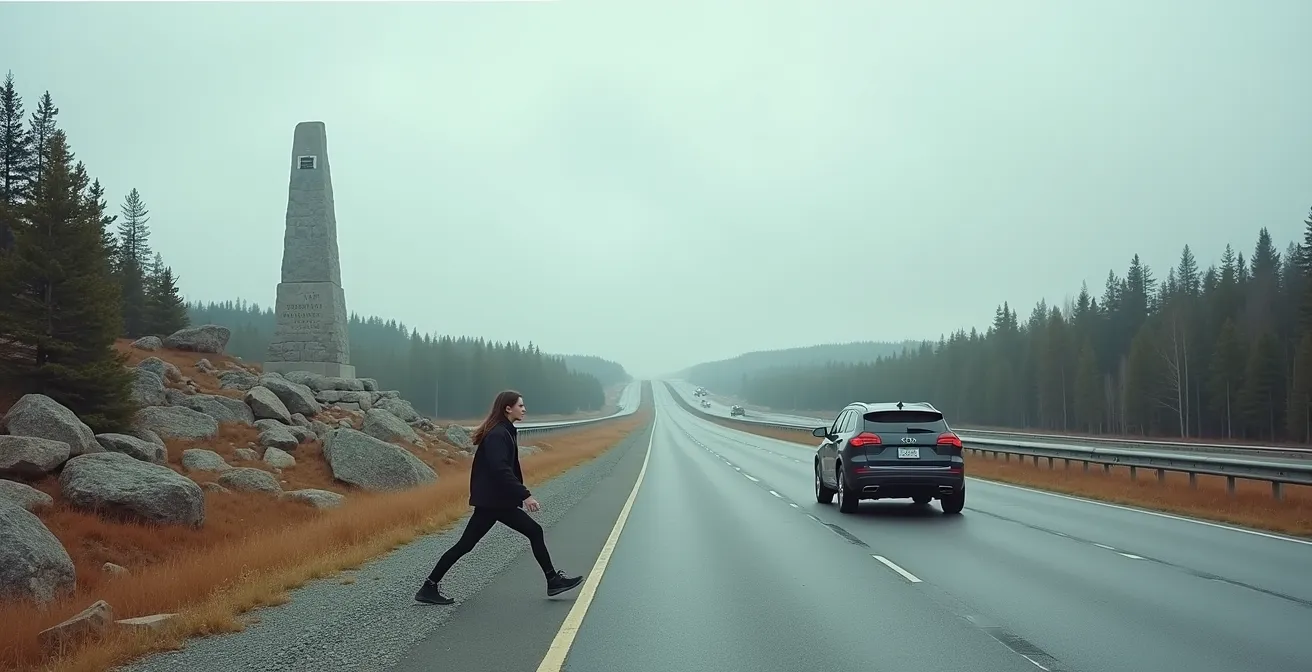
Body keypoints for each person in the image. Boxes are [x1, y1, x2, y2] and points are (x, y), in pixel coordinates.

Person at [415, 389, 584, 605]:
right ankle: (553, 580)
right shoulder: (498, 434)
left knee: (466, 545)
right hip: (494, 501)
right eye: (520, 406)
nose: (524, 409)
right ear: (508, 408)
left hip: (493, 501)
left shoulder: (505, 431)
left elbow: (502, 470)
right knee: (533, 531)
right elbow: (500, 469)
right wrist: (525, 495)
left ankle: (429, 586)